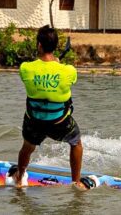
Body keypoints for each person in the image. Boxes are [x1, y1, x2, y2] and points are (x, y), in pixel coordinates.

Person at [8, 25, 93, 190]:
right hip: (59, 122)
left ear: (39, 45)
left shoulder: (25, 68)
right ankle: (75, 182)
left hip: (34, 122)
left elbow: (37, 74)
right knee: (76, 143)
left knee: (27, 147)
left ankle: (19, 178)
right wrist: (57, 65)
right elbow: (67, 80)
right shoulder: (68, 70)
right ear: (55, 47)